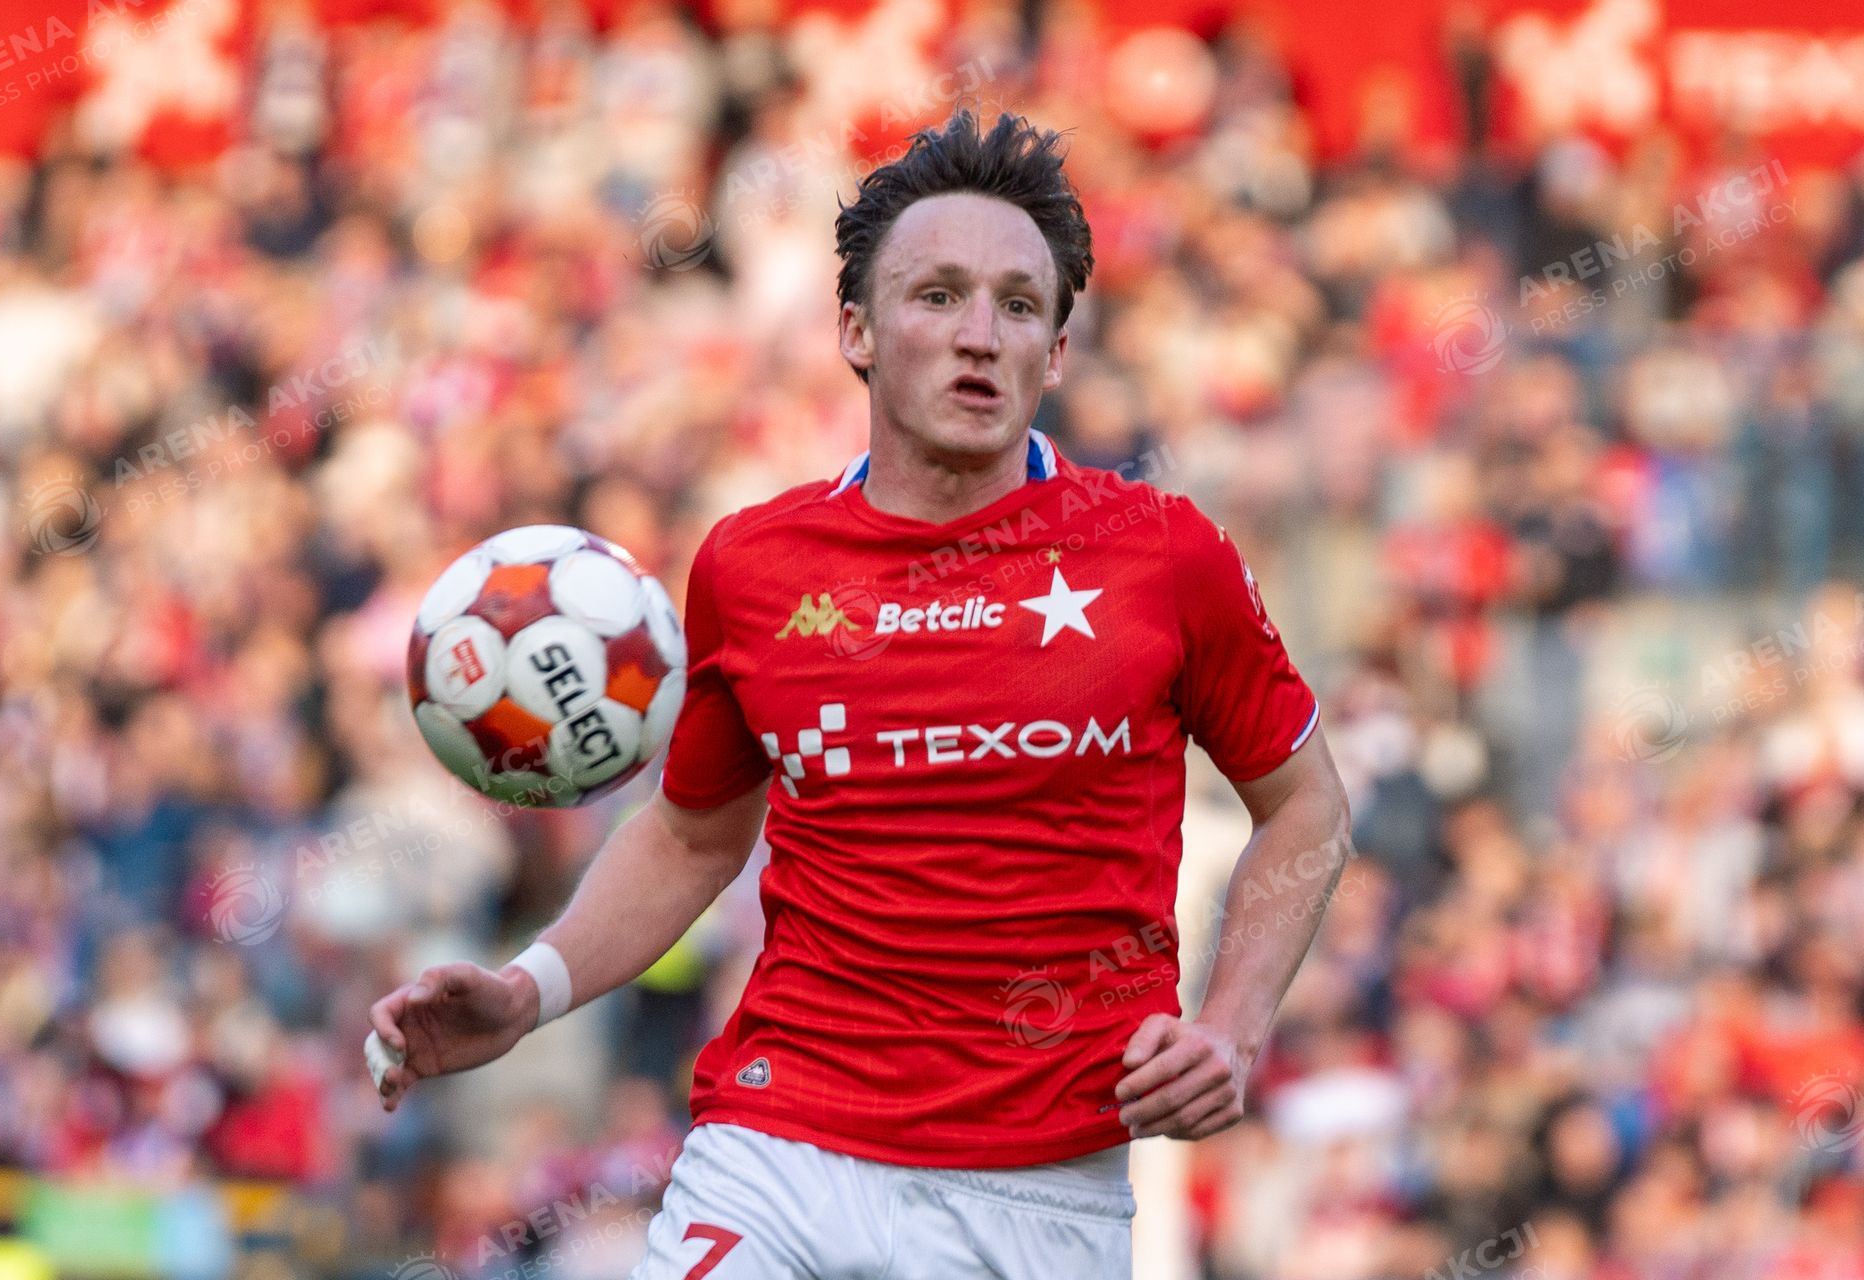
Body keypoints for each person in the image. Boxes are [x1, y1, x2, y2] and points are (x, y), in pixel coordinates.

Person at [366, 110, 1352, 1279]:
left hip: (1038, 1188)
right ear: (856, 330)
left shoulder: (1162, 553)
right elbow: (692, 834)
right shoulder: (752, 564)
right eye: (937, 295)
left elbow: (1307, 805)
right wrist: (527, 989)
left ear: (1056, 352)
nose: (980, 334)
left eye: (1019, 306)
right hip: (778, 1141)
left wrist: (1232, 1026)